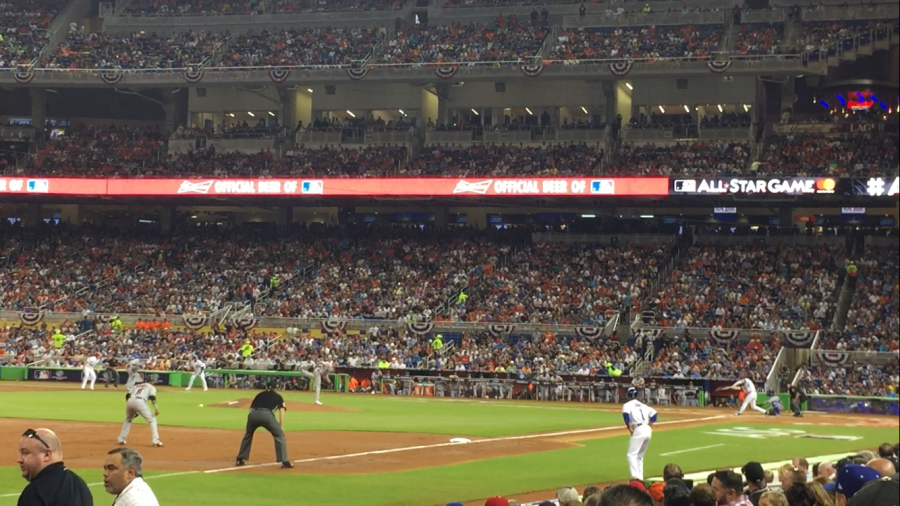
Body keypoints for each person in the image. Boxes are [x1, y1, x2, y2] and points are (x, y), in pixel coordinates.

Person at [17, 428, 93, 506]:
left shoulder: (35, 492)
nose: (19, 459)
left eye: (25, 453)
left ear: (46, 455)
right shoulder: (80, 486)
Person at [235, 383, 293, 469]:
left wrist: (251, 423)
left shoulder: (259, 395)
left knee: (248, 434)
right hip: (266, 415)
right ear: (275, 388)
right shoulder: (278, 396)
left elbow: (250, 409)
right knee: (279, 435)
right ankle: (284, 461)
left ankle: (240, 458)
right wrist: (281, 425)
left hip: (253, 414)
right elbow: (281, 410)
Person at [622, 388, 658, 481]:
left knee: (631, 455)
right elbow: (654, 413)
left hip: (639, 429)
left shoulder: (627, 405)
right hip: (647, 429)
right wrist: (650, 425)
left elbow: (626, 415)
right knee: (639, 456)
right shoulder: (643, 405)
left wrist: (629, 426)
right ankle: (640, 477)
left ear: (628, 395)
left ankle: (635, 477)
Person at [117, 382, 163, 447]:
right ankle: (155, 440)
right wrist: (156, 408)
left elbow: (127, 395)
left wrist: (131, 406)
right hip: (140, 401)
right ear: (152, 381)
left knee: (128, 420)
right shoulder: (151, 387)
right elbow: (152, 397)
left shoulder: (137, 385)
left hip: (130, 400)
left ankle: (121, 439)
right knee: (152, 420)